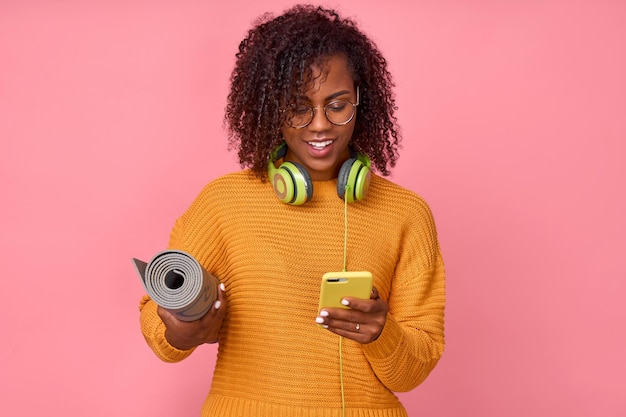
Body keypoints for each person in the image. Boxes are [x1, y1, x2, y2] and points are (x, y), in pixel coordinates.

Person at [139, 4, 445, 417]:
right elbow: (160, 331)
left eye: (337, 105)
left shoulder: (406, 213)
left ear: (361, 101)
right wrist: (181, 329)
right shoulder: (224, 203)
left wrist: (381, 334)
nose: (319, 125)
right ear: (270, 108)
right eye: (298, 107)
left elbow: (413, 371)